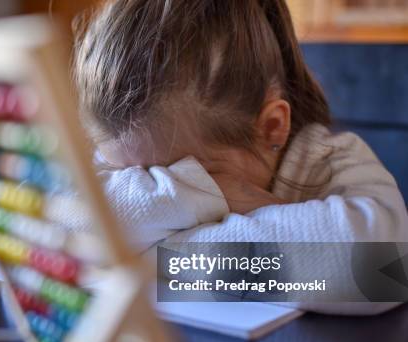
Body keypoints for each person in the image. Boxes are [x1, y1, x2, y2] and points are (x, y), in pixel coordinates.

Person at [68, 0, 408, 314]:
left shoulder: (327, 160)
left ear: (272, 127)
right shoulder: (130, 143)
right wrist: (200, 190)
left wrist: (154, 256)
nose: (154, 184)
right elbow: (61, 221)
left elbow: (380, 267)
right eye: (143, 179)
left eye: (184, 171)